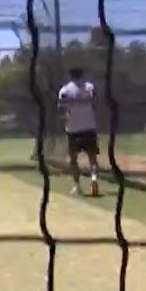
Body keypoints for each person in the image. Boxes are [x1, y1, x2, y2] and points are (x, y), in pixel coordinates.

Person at [57, 67, 100, 196]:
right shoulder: (90, 87)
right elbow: (95, 105)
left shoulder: (65, 90)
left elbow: (60, 107)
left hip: (73, 129)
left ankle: (77, 186)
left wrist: (67, 114)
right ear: (82, 74)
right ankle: (94, 179)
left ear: (70, 75)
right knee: (93, 158)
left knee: (73, 159)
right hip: (89, 127)